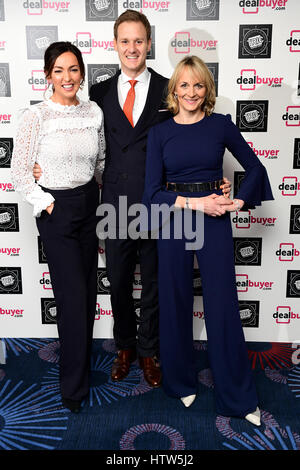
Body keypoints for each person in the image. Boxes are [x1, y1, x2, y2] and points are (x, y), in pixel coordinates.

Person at [34, 10, 231, 388]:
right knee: (120, 281)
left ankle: (148, 352)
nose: (132, 48)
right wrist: (46, 169)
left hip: (160, 204)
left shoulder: (168, 88)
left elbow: (190, 135)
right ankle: (124, 348)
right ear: (115, 45)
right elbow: (79, 141)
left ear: (149, 44)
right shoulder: (100, 92)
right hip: (113, 204)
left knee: (155, 282)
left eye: (139, 41)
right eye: (125, 41)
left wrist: (212, 178)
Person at [143, 55, 274, 425]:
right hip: (177, 216)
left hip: (215, 218)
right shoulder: (160, 132)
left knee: (222, 306)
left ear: (207, 89)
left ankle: (237, 395)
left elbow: (256, 168)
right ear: (174, 91)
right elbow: (152, 195)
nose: (191, 92)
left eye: (198, 85)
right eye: (183, 85)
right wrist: (195, 203)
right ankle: (180, 381)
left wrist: (238, 200)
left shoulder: (221, 126)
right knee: (175, 300)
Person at [11, 41, 105, 413]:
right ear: (48, 75)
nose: (67, 77)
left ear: (82, 73)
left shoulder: (93, 111)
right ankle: (73, 388)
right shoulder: (36, 116)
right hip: (57, 210)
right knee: (71, 298)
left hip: (89, 204)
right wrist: (48, 203)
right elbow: (20, 172)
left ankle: (79, 368)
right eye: (59, 70)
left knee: (88, 295)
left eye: (74, 69)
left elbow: (100, 160)